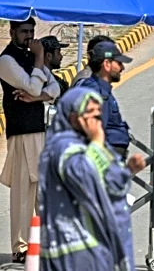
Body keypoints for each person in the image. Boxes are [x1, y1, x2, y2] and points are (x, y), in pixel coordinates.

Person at [38, 86, 145, 271]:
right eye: (90, 113)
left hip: (97, 246)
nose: (96, 120)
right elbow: (84, 177)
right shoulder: (62, 148)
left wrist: (127, 170)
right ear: (73, 117)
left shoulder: (89, 144)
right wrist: (96, 142)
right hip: (73, 251)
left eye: (98, 114)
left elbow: (110, 184)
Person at [0, 17, 62, 263]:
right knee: (23, 192)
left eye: (32, 32)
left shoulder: (30, 58)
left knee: (42, 191)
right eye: (24, 31)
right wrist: (39, 61)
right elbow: (37, 87)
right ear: (12, 31)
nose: (29, 36)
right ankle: (21, 247)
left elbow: (54, 89)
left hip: (39, 131)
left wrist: (36, 98)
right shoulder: (7, 60)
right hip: (21, 132)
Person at [73, 39, 133, 158]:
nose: (122, 68)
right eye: (119, 63)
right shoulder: (96, 92)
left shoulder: (101, 89)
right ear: (107, 64)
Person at [41, 35, 69, 102]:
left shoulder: (51, 77)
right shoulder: (42, 80)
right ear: (49, 56)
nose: (61, 57)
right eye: (58, 52)